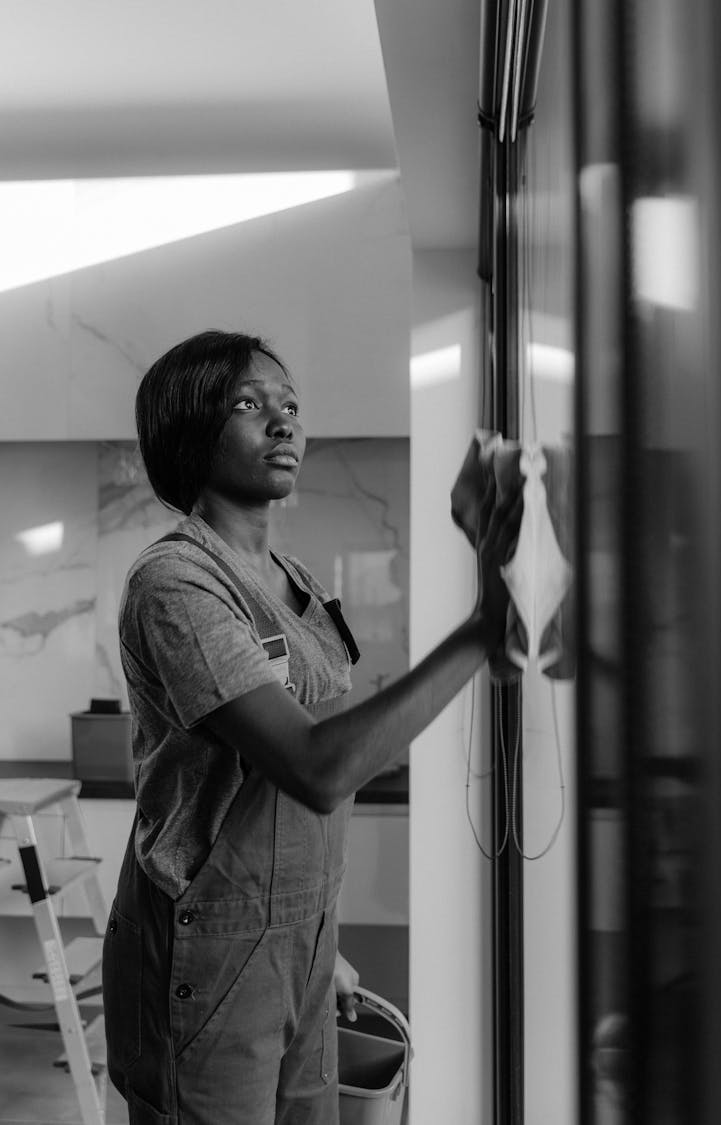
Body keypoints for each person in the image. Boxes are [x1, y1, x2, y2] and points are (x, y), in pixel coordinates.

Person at [102, 329, 523, 1125]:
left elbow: (320, 740)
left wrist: (315, 946)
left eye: (290, 404)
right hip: (211, 953)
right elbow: (316, 766)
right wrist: (483, 630)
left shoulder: (294, 581)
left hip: (299, 943)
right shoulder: (177, 582)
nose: (284, 422)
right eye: (249, 404)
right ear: (192, 429)